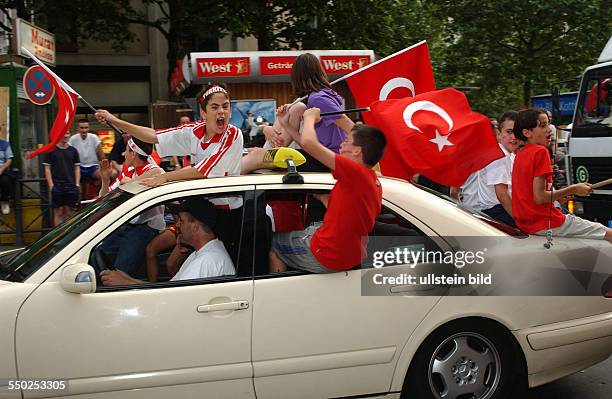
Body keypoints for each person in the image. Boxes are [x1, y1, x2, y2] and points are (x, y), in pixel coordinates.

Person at [269, 107, 387, 273]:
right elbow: (347, 213)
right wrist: (285, 125)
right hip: (350, 254)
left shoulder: (355, 172)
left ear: (357, 151)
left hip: (328, 254)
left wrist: (309, 117)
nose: (341, 144)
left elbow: (310, 144)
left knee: (273, 243)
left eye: (346, 141)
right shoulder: (371, 180)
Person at [94, 83, 243, 192]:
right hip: (202, 200)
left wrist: (165, 177)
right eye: (214, 107)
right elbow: (153, 135)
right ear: (203, 113)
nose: (221, 112)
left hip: (226, 208)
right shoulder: (193, 131)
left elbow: (202, 171)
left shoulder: (233, 134)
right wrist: (114, 120)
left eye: (225, 106)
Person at [241, 53, 354, 174]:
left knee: (257, 156)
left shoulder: (318, 98)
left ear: (297, 77)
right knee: (258, 155)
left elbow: (350, 126)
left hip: (328, 159)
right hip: (322, 157)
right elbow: (307, 144)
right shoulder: (319, 96)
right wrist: (285, 124)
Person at [512, 108, 612, 242]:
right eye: (542, 125)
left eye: (548, 124)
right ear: (527, 132)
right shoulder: (540, 152)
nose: (549, 129)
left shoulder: (520, 154)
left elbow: (531, 197)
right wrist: (574, 188)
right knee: (608, 233)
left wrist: (558, 197)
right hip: (546, 222)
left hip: (527, 223)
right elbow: (540, 197)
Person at [100, 197, 235, 286]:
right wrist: (128, 280)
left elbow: (171, 298)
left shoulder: (207, 261)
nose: (177, 225)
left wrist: (126, 283)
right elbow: (171, 288)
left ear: (195, 227)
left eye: (181, 221)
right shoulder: (202, 253)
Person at [93, 137, 166, 278]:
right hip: (127, 225)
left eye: (126, 150)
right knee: (100, 251)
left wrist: (131, 183)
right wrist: (105, 179)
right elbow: (105, 198)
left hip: (148, 228)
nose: (123, 154)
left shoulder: (153, 170)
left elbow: (157, 173)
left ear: (133, 153)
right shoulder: (129, 172)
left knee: (122, 268)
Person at [456, 111, 519, 226]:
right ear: (499, 134)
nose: (514, 137)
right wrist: (520, 220)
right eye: (509, 132)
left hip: (481, 212)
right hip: (491, 212)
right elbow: (502, 194)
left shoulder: (508, 155)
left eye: (517, 132)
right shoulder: (499, 155)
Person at [42, 132, 81, 226]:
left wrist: (77, 184)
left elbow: (77, 167)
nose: (66, 135)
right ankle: (57, 236)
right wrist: (51, 185)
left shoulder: (73, 150)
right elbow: (47, 168)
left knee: (70, 213)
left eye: (68, 133)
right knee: (58, 212)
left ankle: (70, 235)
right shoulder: (51, 150)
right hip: (57, 185)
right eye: (64, 133)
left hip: (71, 185)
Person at [68, 119, 105, 189]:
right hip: (79, 167)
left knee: (103, 176)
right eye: (82, 128)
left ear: (89, 128)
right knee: (76, 185)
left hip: (93, 167)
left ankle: (98, 198)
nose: (84, 130)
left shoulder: (94, 137)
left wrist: (102, 167)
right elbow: (69, 155)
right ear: (77, 129)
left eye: (86, 128)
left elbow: (101, 155)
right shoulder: (73, 139)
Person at [0, 137, 16, 214]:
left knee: (5, 180)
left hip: (2, 169)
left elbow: (9, 160)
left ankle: (4, 201)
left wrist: (1, 169)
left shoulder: (4, 144)